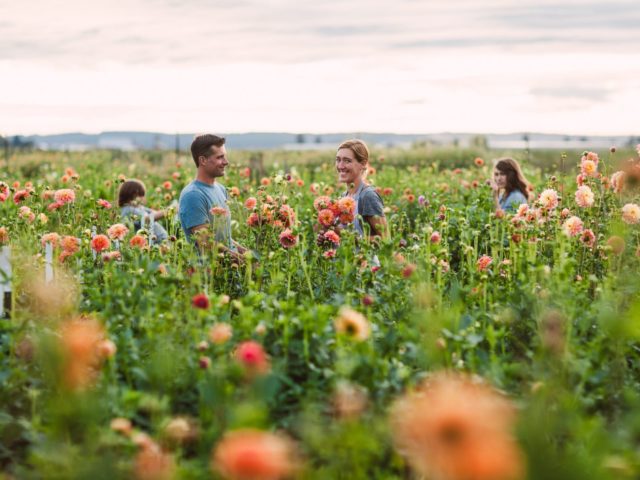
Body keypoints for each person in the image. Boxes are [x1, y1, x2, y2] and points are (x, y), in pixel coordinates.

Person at [179, 134, 247, 262]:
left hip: (229, 270)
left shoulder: (220, 189)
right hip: (209, 275)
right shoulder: (193, 195)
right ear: (203, 160)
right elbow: (206, 244)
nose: (226, 162)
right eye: (220, 157)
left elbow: (222, 237)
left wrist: (243, 251)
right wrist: (242, 261)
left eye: (225, 156)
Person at [336, 139, 387, 241]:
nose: (340, 166)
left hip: (366, 257)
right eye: (338, 160)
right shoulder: (343, 197)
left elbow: (385, 239)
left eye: (347, 161)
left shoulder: (367, 196)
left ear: (363, 164)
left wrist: (349, 237)